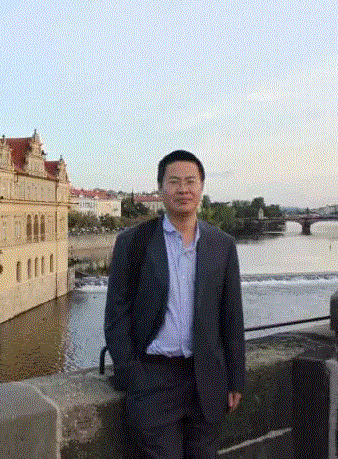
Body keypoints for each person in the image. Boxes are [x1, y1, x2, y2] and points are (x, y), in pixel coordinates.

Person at [104, 150, 245, 459]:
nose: (183, 189)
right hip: (154, 380)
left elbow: (232, 317)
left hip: (206, 379)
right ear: (160, 189)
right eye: (174, 182)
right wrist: (131, 374)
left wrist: (236, 378)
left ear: (201, 187)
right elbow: (116, 314)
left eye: (191, 181)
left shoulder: (222, 244)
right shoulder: (134, 242)